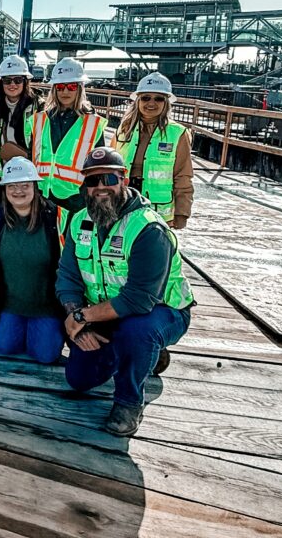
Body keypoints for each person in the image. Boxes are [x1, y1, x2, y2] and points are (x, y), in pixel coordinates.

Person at [55, 147, 195, 437]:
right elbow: (67, 277)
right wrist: (74, 317)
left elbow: (139, 299)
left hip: (161, 311)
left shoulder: (148, 229)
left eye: (108, 178)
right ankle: (144, 357)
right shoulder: (79, 219)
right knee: (79, 379)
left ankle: (129, 402)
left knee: (138, 331)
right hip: (105, 311)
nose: (100, 187)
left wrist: (82, 315)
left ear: (124, 179)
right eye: (91, 181)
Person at [0, 157, 63, 361]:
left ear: (35, 186)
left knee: (45, 355)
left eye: (25, 185)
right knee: (5, 346)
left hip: (46, 306)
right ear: (4, 189)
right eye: (12, 185)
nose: (18, 191)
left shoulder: (55, 218)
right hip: (9, 304)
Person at [33, 57, 106, 242]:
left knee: (72, 249)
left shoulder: (92, 123)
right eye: (60, 87)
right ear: (54, 89)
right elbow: (32, 155)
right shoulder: (40, 119)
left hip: (76, 201)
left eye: (71, 87)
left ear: (80, 88)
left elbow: (99, 166)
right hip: (43, 197)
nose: (65, 91)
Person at [114, 72, 194, 229]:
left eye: (158, 98)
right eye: (145, 98)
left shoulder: (178, 133)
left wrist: (182, 213)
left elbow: (183, 175)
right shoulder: (124, 130)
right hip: (123, 203)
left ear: (166, 103)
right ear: (137, 101)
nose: (151, 103)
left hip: (158, 211)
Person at [0, 55, 41, 170]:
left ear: (25, 82)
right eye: (7, 80)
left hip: (30, 172)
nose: (12, 85)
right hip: (5, 172)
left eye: (18, 80)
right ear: (1, 83)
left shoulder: (39, 108)